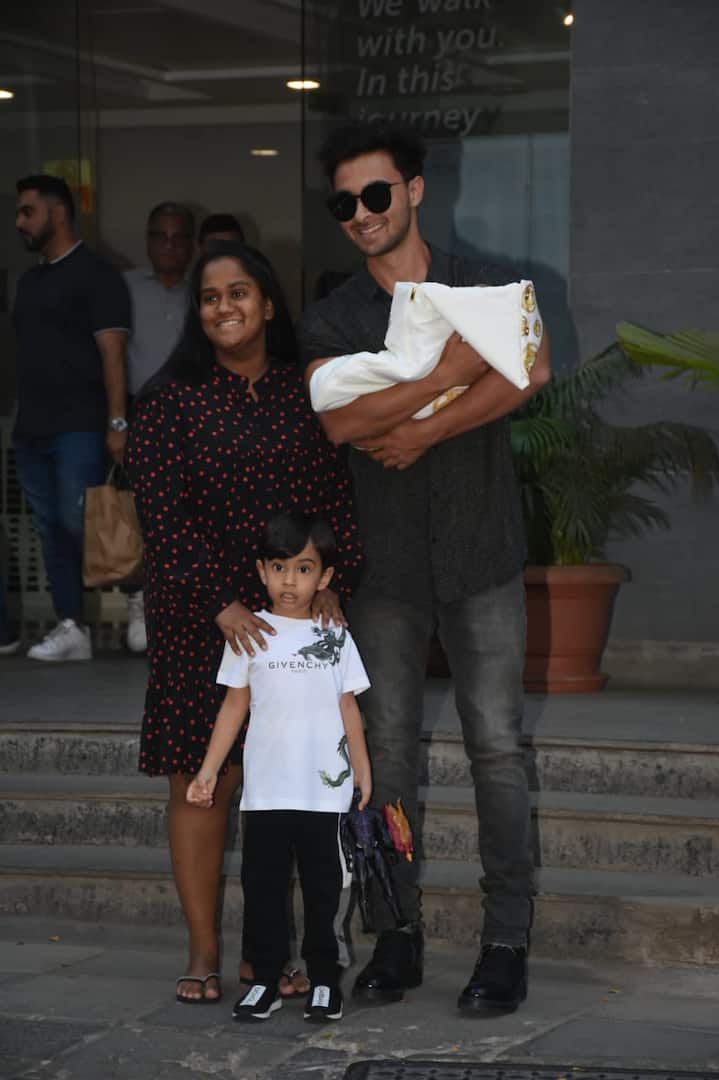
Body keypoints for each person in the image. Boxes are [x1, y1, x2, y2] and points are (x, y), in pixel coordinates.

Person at [298, 123, 551, 1014]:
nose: (361, 214)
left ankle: (506, 940)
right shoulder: (334, 313)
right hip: (385, 566)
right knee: (388, 757)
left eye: (375, 195)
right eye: (344, 204)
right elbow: (335, 424)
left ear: (412, 191)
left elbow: (528, 369)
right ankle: (395, 934)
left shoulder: (485, 284)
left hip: (481, 549)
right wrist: (447, 371)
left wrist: (417, 425)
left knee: (497, 749)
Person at [125, 242, 363, 1005]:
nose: (224, 307)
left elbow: (336, 500)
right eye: (209, 297)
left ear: (266, 302)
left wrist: (333, 582)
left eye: (239, 293)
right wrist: (221, 603)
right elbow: (159, 517)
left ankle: (274, 952)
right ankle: (203, 952)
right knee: (205, 784)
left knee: (288, 790)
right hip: (203, 621)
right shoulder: (168, 398)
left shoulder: (305, 391)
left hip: (292, 619)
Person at [187, 511, 371, 1024]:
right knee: (263, 889)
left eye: (305, 568)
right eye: (279, 567)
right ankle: (264, 981)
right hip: (265, 794)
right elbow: (233, 707)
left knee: (324, 891)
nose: (291, 581)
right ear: (262, 571)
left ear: (326, 577)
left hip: (324, 796)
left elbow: (349, 708)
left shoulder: (335, 636)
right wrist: (208, 772)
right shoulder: (249, 634)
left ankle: (324, 981)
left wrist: (362, 770)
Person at [13, 174, 130, 662]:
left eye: (27, 211)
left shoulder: (97, 275)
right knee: (50, 529)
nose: (19, 222)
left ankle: (141, 592)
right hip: (31, 429)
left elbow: (112, 354)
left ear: (57, 212)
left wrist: (118, 423)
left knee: (83, 521)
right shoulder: (29, 279)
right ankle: (71, 627)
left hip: (80, 425)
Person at [123, 201, 195, 653]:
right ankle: (139, 601)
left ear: (190, 243)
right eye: (159, 236)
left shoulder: (204, 288)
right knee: (141, 514)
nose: (168, 246)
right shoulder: (123, 287)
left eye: (178, 237)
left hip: (194, 415)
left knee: (188, 512)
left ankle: (184, 609)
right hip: (138, 413)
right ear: (148, 239)